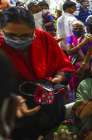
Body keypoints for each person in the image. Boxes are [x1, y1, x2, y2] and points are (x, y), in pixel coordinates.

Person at [0, 7, 75, 140]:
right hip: (17, 112)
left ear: (34, 30)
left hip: (49, 102)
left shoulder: (44, 39)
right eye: (11, 35)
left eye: (25, 36)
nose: (18, 40)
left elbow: (64, 65)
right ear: (2, 31)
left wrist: (60, 76)